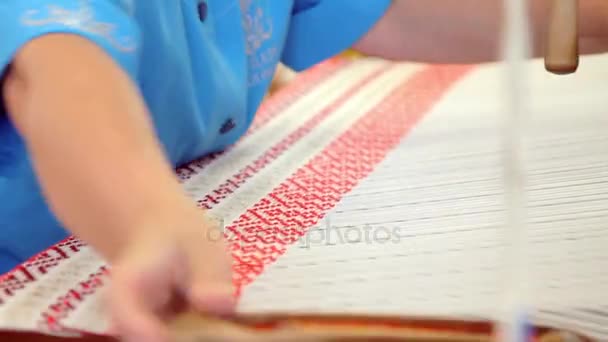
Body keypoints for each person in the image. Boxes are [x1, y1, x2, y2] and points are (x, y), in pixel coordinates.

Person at [1, 1, 607, 341]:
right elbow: (55, 65)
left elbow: (388, 11)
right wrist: (144, 215)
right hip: (38, 293)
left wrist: (579, 14)